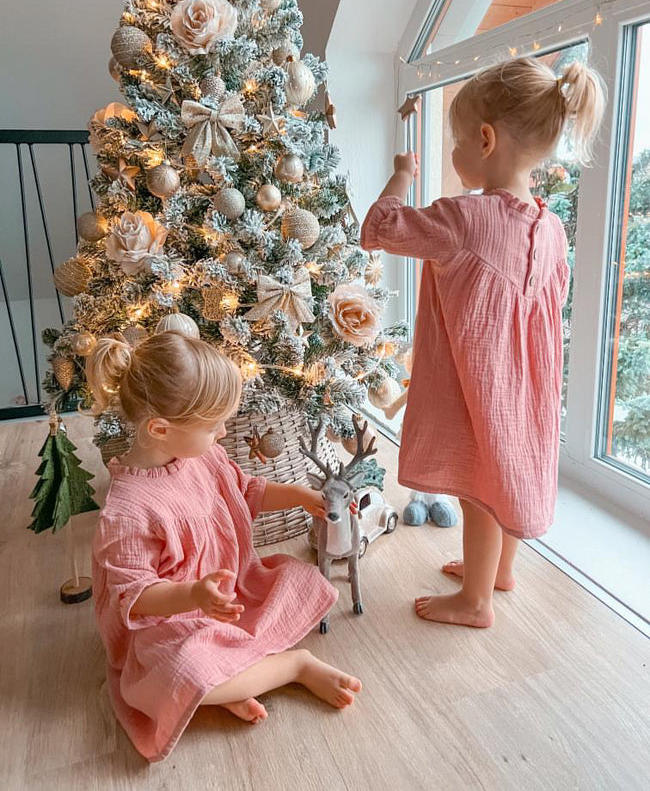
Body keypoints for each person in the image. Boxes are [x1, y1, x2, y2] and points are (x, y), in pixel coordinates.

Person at [361, 57, 605, 628]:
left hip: (480, 383)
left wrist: (401, 176)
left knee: (478, 488)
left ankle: (475, 602)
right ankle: (498, 572)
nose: (454, 153)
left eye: (456, 142)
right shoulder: (552, 225)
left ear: (486, 139)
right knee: (510, 474)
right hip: (531, 388)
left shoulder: (463, 219)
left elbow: (379, 229)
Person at [87, 331, 361, 762]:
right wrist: (193, 595)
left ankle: (237, 679)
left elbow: (247, 490)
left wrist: (299, 495)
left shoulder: (202, 457)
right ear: (160, 428)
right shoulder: (127, 512)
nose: (224, 432)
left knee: (298, 579)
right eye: (213, 425)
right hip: (169, 620)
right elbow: (135, 597)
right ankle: (290, 666)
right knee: (187, 672)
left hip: (225, 595)